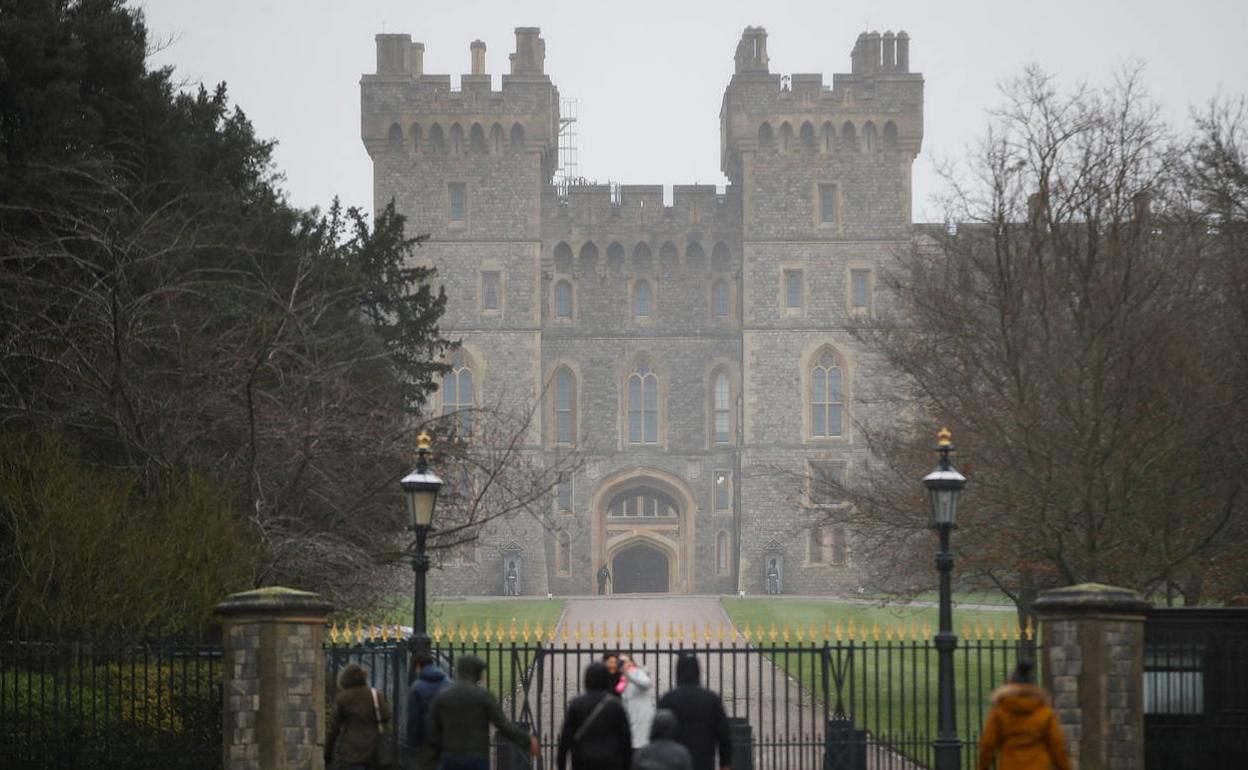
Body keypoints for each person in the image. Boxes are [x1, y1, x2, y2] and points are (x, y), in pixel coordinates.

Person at [429, 655, 539, 770]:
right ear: (475, 673)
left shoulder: (443, 695)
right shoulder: (483, 696)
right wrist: (527, 740)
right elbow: (503, 725)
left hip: (449, 756)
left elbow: (433, 730)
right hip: (476, 757)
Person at [976, 659, 1072, 770]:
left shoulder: (1000, 712)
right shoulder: (1045, 713)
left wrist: (982, 766)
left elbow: (987, 744)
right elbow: (1057, 746)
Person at [657, 654, 731, 770]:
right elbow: (724, 735)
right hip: (703, 760)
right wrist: (725, 763)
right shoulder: (711, 699)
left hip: (674, 761)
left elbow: (658, 733)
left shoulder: (668, 699)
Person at [557, 661, 633, 770]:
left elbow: (565, 740)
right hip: (611, 762)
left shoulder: (577, 704)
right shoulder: (615, 705)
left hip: (583, 761)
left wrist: (561, 765)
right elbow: (626, 739)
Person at [326, 663, 392, 770]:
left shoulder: (343, 698)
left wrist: (328, 751)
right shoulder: (374, 694)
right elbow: (386, 715)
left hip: (353, 751)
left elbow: (334, 727)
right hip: (374, 748)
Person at [405, 651, 452, 770]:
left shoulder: (417, 687)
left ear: (418, 666)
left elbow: (414, 719)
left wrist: (412, 743)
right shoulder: (449, 684)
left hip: (426, 739)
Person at [603, 651, 655, 750]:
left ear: (632, 663)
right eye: (620, 662)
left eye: (624, 661)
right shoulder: (621, 679)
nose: (621, 664)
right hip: (630, 720)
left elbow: (646, 683)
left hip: (641, 720)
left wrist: (629, 675)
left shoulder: (638, 672)